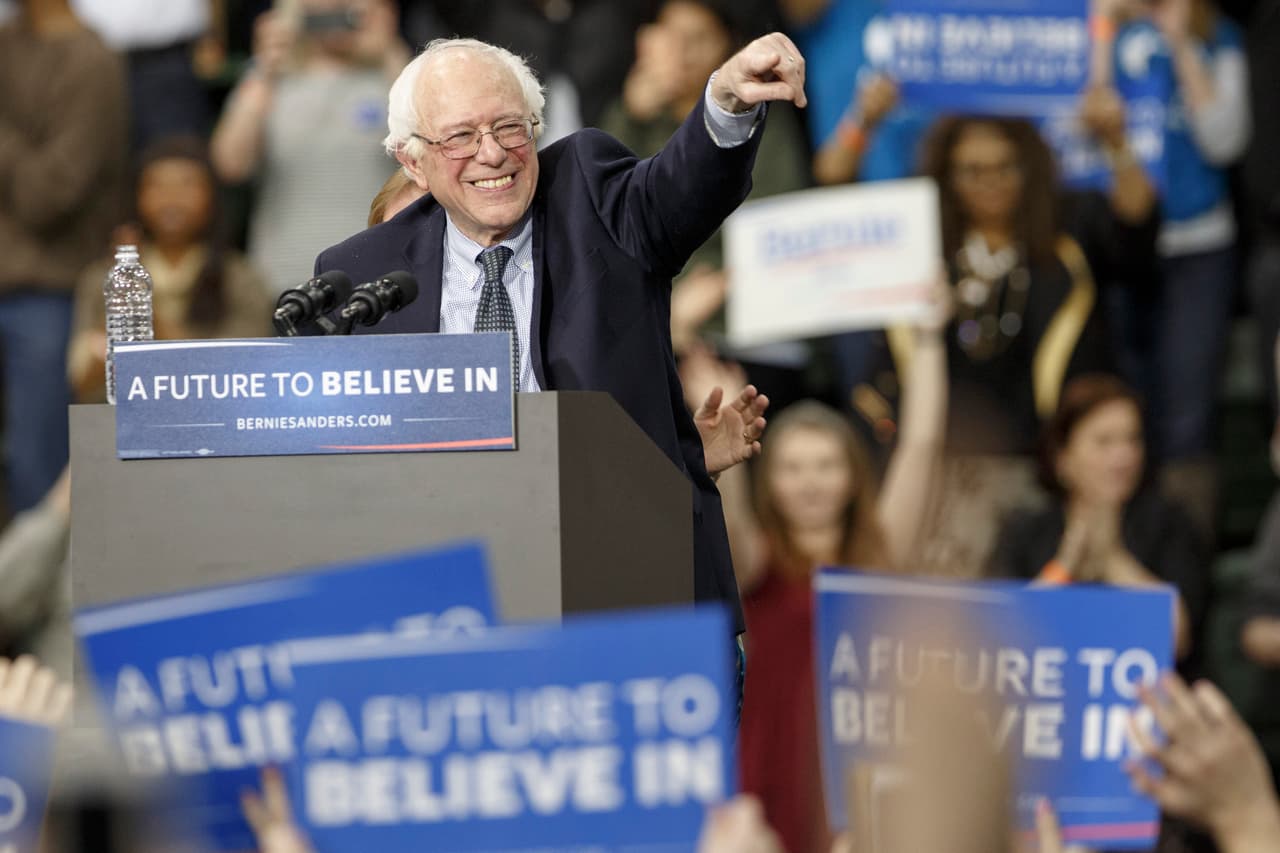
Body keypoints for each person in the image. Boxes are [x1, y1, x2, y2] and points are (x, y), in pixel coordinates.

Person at [312, 35, 809, 641]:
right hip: (458, 608)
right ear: (412, 161)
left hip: (634, 597)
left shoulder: (594, 197)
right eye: (461, 136)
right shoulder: (362, 272)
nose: (492, 154)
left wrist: (726, 103)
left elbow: (682, 186)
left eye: (510, 128)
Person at [680, 286, 947, 853]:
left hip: (868, 768)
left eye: (826, 465)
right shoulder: (756, 562)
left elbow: (922, 444)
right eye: (793, 467)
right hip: (773, 766)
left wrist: (927, 339)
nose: (810, 481)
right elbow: (727, 508)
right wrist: (701, 387)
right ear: (771, 478)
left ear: (852, 475)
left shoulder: (879, 555)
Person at [858, 108, 1159, 577]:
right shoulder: (921, 256)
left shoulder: (1066, 242)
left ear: (1031, 169)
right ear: (946, 177)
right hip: (942, 477)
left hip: (1040, 477)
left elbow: (1138, 227)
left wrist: (1117, 142)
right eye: (972, 171)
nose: (990, 182)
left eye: (1006, 167)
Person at [597, 0, 812, 386]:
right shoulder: (630, 116)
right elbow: (604, 221)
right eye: (673, 36)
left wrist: (712, 289)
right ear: (649, 40)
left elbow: (777, 228)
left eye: (699, 38)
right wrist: (629, 117)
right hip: (648, 317)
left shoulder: (762, 120)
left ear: (727, 48)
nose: (683, 51)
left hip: (738, 322)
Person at [0, 0, 128, 515]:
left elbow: (49, 193)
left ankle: (42, 596)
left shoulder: (90, 61)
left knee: (40, 472)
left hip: (48, 290)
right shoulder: (8, 43)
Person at [988, 374, 1208, 664]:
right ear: (1062, 458)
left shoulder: (1169, 523)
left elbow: (1177, 638)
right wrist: (1064, 567)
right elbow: (998, 637)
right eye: (1104, 442)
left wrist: (1112, 560)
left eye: (1132, 440)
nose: (1123, 457)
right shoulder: (1026, 529)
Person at [211, 0, 410, 297]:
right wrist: (264, 68)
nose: (331, 12)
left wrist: (390, 52)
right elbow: (230, 164)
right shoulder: (270, 80)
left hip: (378, 273)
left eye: (342, 7)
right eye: (319, 10)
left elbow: (431, 150)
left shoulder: (394, 78)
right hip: (284, 273)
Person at [68, 135, 274, 403]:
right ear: (136, 197)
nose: (172, 198)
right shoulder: (103, 278)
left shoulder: (240, 277)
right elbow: (82, 382)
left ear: (213, 197)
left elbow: (246, 372)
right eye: (157, 186)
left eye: (187, 185)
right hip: (122, 426)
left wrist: (145, 314)